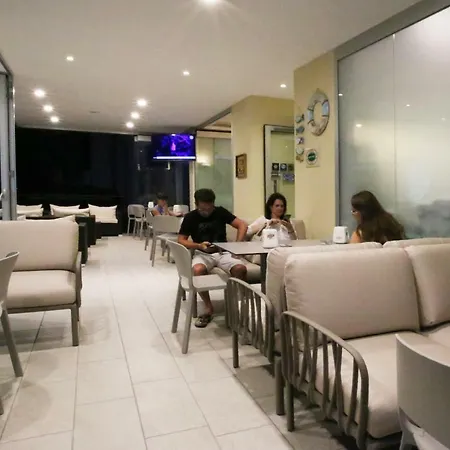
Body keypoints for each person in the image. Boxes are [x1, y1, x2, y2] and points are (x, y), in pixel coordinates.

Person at [178, 188, 248, 328]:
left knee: (240, 269)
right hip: (202, 253)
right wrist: (198, 245)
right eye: (203, 209)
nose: (207, 211)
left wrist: (237, 246)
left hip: (223, 252)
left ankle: (236, 306)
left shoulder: (220, 212)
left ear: (213, 204)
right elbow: (181, 240)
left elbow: (242, 225)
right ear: (196, 204)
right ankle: (208, 307)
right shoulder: (190, 217)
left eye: (209, 208)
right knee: (198, 270)